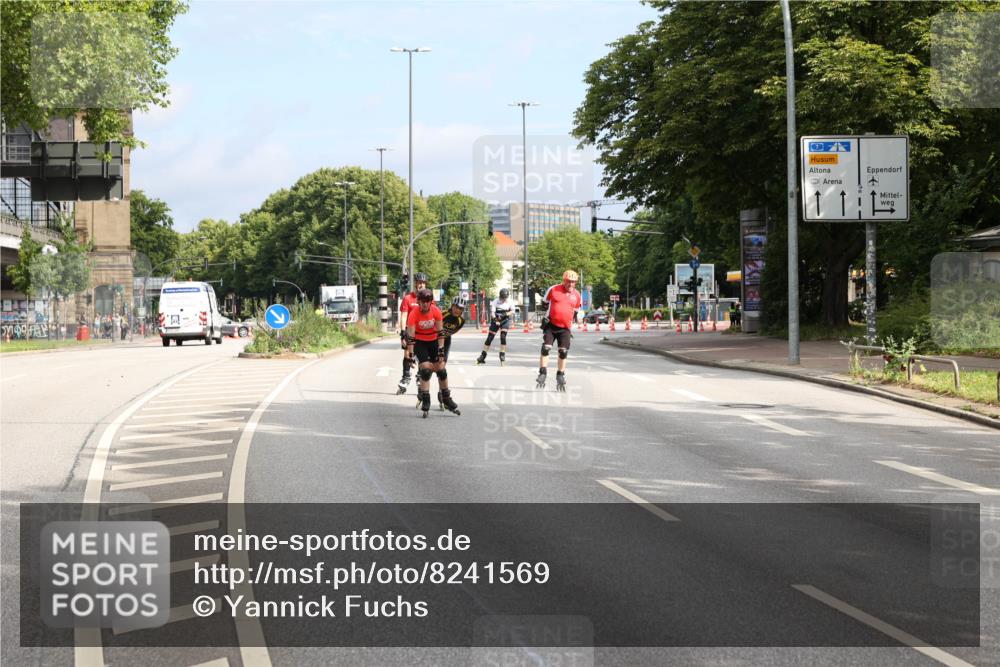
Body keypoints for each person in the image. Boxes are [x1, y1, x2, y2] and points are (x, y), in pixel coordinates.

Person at [404, 288, 456, 417]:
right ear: (418, 301)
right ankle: (426, 398)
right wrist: (410, 355)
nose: (425, 304)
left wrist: (441, 351)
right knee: (426, 370)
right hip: (420, 342)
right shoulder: (413, 314)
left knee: (441, 369)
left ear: (431, 302)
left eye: (428, 301)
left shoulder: (436, 311)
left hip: (433, 341)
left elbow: (440, 333)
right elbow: (410, 338)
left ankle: (446, 397)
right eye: (423, 301)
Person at [536, 270, 582, 392]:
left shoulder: (577, 295)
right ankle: (543, 372)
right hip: (551, 324)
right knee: (546, 348)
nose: (571, 284)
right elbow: (544, 303)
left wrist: (573, 320)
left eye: (573, 282)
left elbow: (576, 310)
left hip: (565, 328)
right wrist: (549, 314)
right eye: (568, 282)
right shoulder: (554, 289)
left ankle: (560, 375)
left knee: (563, 352)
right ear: (564, 280)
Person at [424, 292, 466, 413]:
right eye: (457, 307)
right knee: (430, 366)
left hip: (446, 341)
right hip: (432, 339)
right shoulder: (442, 314)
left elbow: (451, 332)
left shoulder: (461, 321)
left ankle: (442, 394)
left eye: (461, 309)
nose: (458, 310)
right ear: (452, 306)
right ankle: (423, 388)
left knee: (441, 368)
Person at [396, 272, 429, 394]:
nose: (421, 285)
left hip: (424, 330)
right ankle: (405, 377)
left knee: (423, 356)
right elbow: (404, 315)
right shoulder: (408, 298)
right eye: (419, 283)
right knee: (407, 354)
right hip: (410, 330)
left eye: (423, 283)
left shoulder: (428, 298)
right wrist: (403, 332)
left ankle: (420, 376)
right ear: (415, 284)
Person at [476, 287, 513, 366]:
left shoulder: (510, 301)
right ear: (500, 297)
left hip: (505, 320)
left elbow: (512, 311)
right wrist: (495, 320)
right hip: (495, 319)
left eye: (505, 298)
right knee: (490, 338)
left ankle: (502, 355)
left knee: (503, 337)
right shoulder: (496, 301)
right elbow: (492, 312)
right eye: (502, 298)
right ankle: (483, 356)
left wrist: (505, 314)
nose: (503, 300)